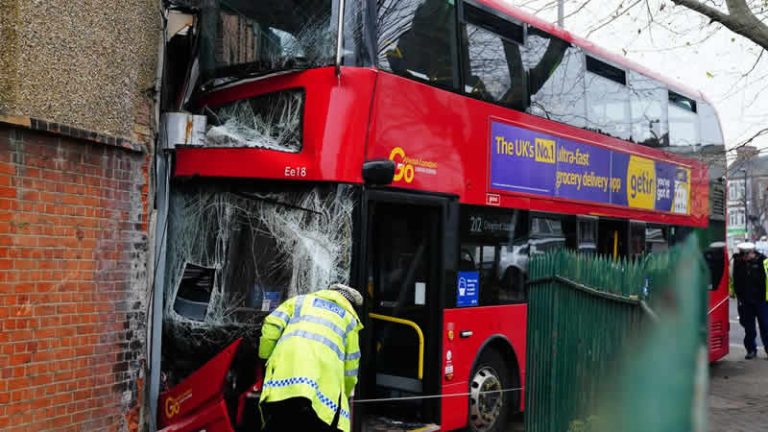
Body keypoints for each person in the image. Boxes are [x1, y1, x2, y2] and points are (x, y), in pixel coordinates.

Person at [258, 283, 364, 432]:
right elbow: (350, 370)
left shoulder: (299, 301)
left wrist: (265, 359)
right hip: (318, 399)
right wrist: (343, 394)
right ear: (351, 305)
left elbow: (271, 325)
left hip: (283, 384)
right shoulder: (350, 321)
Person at [730, 242, 768, 359]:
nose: (744, 258)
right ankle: (751, 350)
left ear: (752, 252)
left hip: (762, 300)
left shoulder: (763, 261)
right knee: (749, 328)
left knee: (766, 326)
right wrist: (734, 294)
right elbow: (732, 279)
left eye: (746, 255)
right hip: (745, 301)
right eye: (742, 255)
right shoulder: (737, 262)